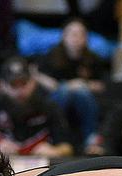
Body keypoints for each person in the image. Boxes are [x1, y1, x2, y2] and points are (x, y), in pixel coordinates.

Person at [0, 57, 73, 158]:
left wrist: (54, 151)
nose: (19, 90)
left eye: (24, 83)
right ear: (2, 85)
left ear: (33, 82)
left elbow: (67, 147)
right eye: (13, 84)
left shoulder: (50, 107)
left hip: (41, 171)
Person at [35, 18, 109, 152]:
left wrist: (83, 84)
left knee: (82, 92)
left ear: (86, 38)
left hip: (84, 99)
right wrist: (67, 86)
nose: (77, 38)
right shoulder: (51, 55)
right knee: (65, 91)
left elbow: (103, 85)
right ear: (64, 36)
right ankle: (56, 136)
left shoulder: (93, 58)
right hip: (58, 95)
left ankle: (91, 139)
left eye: (81, 34)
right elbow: (39, 76)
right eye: (73, 34)